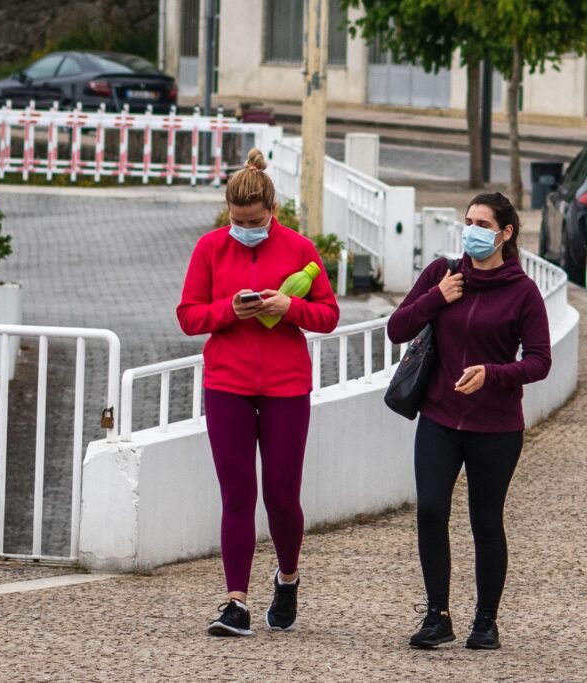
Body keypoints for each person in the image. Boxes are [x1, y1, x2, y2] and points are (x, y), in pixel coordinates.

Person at [177, 148, 339, 636]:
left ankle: (287, 578)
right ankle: (236, 602)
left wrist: (291, 307)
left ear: (272, 210)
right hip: (226, 384)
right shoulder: (210, 248)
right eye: (237, 220)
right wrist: (229, 310)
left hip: (286, 387)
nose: (245, 228)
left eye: (254, 221)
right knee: (237, 495)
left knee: (282, 497)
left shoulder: (300, 249)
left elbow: (329, 316)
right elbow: (188, 316)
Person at [387, 192, 552, 650]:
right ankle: (437, 615)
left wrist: (492, 374)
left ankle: (486, 622)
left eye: (483, 224)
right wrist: (436, 298)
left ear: (505, 233)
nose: (472, 231)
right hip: (439, 418)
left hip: (496, 427)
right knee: (431, 510)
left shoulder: (522, 291)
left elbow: (540, 361)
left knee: (486, 521)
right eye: (468, 221)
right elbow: (397, 328)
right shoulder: (442, 274)